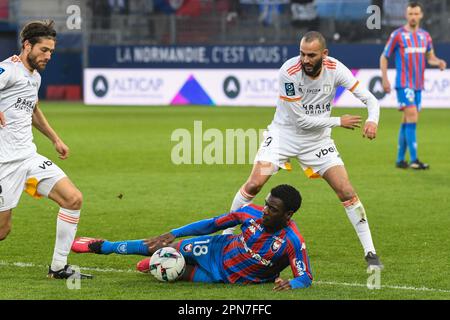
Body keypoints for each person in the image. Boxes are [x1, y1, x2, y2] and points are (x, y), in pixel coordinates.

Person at [222, 31, 383, 270]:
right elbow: (301, 121)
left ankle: (370, 252)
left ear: (324, 54)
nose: (305, 60)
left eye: (311, 55)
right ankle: (226, 234)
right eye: (302, 54)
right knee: (254, 184)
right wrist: (338, 121)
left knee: (346, 190)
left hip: (317, 142)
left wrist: (372, 120)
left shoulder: (336, 69)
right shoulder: (289, 72)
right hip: (283, 134)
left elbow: (371, 99)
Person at [72, 184, 313, 290]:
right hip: (216, 248)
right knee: (159, 245)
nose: (266, 211)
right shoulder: (250, 213)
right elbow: (211, 225)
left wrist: (290, 283)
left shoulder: (292, 241)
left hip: (226, 278)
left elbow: (305, 277)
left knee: (175, 273)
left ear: (288, 214)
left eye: (273, 209)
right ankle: (104, 246)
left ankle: (160, 262)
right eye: (267, 204)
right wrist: (174, 233)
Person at [0, 20, 91, 279]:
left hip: (28, 157)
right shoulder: (8, 70)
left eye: (51, 51)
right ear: (27, 45)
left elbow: (33, 109)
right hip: (4, 164)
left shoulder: (34, 77)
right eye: (43, 50)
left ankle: (58, 267)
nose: (48, 56)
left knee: (73, 198)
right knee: (2, 232)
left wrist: (55, 139)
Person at [380, 1, 446, 170]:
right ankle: (414, 160)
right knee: (413, 117)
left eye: (416, 13)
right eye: (410, 14)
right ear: (406, 15)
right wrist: (385, 78)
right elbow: (384, 56)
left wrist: (438, 62)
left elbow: (430, 57)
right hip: (404, 83)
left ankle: (400, 160)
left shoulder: (425, 36)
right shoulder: (398, 35)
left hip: (418, 85)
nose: (413, 17)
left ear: (421, 15)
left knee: (406, 119)